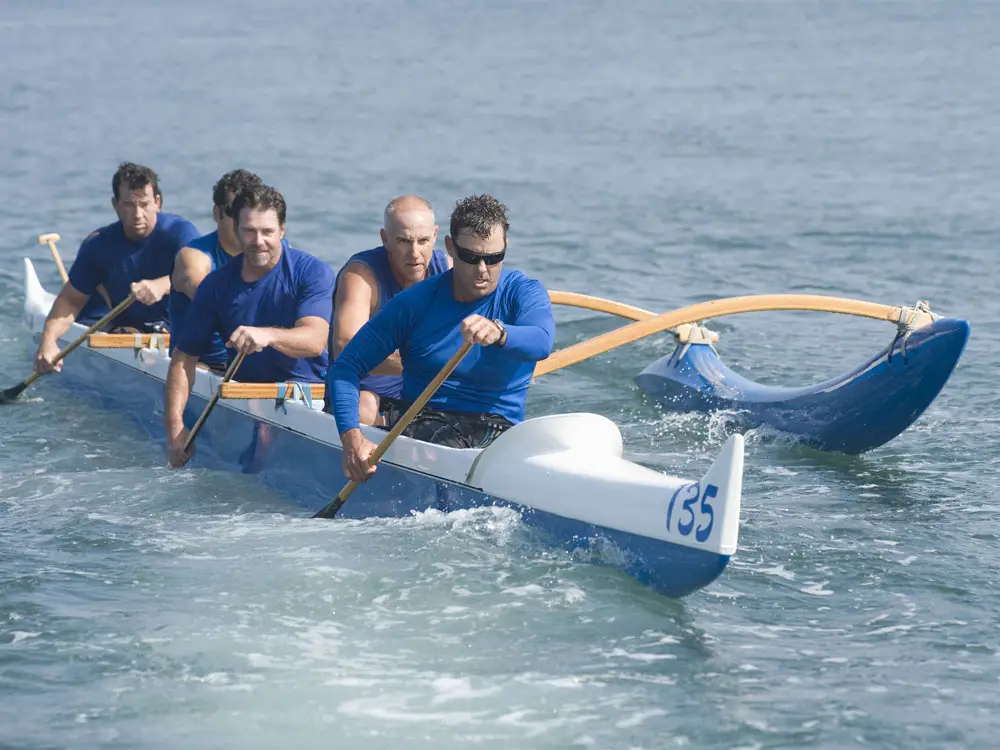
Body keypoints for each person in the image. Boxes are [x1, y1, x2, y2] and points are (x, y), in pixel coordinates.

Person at [329, 194, 555, 483]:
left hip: (497, 426)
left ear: (505, 248)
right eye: (471, 257)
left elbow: (542, 342)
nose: (482, 270)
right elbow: (346, 366)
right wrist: (351, 440)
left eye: (493, 258)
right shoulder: (415, 302)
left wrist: (501, 332)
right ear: (450, 247)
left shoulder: (523, 292)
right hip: (423, 419)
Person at [164, 183, 335, 468]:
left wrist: (267, 335)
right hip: (249, 395)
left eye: (267, 231)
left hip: (311, 393)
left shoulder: (312, 272)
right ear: (236, 230)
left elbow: (315, 340)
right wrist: (174, 431)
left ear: (282, 230)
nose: (258, 241)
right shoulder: (216, 286)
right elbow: (183, 360)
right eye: (249, 231)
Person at [33, 162, 201, 374]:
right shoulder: (98, 244)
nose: (138, 214)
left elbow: (200, 279)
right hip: (127, 334)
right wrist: (48, 341)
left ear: (157, 203)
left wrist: (163, 284)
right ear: (116, 205)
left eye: (145, 204)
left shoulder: (181, 233)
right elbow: (70, 301)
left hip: (177, 332)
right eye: (129, 205)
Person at [325, 195, 451, 425]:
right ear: (385, 239)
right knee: (363, 407)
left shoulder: (449, 271)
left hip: (419, 392)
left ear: (435, 236)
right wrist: (422, 363)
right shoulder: (361, 276)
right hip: (364, 390)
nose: (415, 253)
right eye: (404, 241)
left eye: (423, 241)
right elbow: (345, 347)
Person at [167, 168, 264, 371]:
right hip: (204, 365)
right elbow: (209, 299)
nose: (241, 220)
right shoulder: (194, 256)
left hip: (256, 365)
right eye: (232, 211)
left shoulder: (273, 253)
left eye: (247, 210)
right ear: (216, 213)